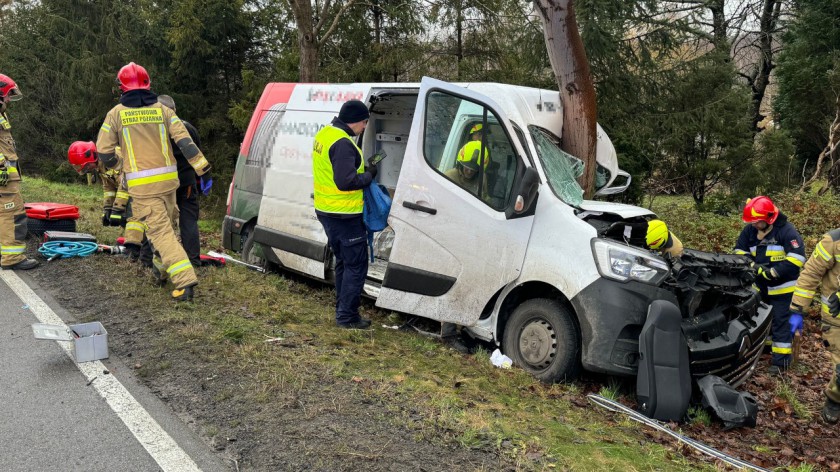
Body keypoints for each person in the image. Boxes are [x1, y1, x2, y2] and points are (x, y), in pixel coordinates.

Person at [96, 62, 211, 302]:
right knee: (166, 228)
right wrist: (203, 170)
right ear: (148, 84)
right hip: (171, 183)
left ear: (121, 87)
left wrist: (122, 165)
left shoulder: (115, 114)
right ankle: (159, 270)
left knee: (160, 234)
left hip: (143, 188)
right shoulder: (164, 110)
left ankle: (184, 281)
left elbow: (104, 153)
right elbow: (186, 143)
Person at [313, 99, 377, 329]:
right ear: (356, 121)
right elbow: (346, 181)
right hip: (344, 214)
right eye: (364, 123)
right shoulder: (342, 144)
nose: (365, 127)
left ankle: (343, 308)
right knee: (356, 265)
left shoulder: (325, 134)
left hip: (327, 211)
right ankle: (347, 317)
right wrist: (369, 175)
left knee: (344, 262)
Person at [733, 196, 805, 374]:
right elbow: (739, 252)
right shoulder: (749, 231)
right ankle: (764, 349)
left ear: (769, 218)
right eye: (753, 222)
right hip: (760, 288)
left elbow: (797, 258)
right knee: (761, 320)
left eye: (758, 222)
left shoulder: (787, 231)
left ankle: (781, 362)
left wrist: (774, 272)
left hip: (783, 289)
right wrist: (753, 267)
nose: (755, 225)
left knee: (781, 322)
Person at [789, 228, 840, 424]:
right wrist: (797, 310)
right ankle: (834, 400)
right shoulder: (833, 242)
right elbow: (810, 276)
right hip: (835, 321)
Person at [151, 94, 208, 267]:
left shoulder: (152, 131)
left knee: (159, 222)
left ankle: (152, 260)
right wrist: (202, 179)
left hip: (162, 184)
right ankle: (193, 260)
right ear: (174, 110)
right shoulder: (188, 128)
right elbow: (196, 154)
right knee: (188, 220)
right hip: (186, 182)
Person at [0, 73, 38, 270]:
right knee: (12, 214)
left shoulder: (1, 113)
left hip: (6, 176)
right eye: (6, 95)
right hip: (3, 178)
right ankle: (12, 258)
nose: (8, 99)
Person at [67, 141, 132, 229]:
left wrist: (118, 208)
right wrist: (108, 208)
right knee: (125, 217)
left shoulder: (111, 157)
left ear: (91, 155)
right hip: (132, 188)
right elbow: (108, 187)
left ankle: (141, 240)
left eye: (87, 166)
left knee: (130, 216)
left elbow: (126, 182)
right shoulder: (100, 164)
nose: (88, 169)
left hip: (142, 187)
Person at [444, 124, 489, 196]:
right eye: (479, 134)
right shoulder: (449, 176)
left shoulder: (482, 179)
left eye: (474, 169)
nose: (469, 171)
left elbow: (485, 198)